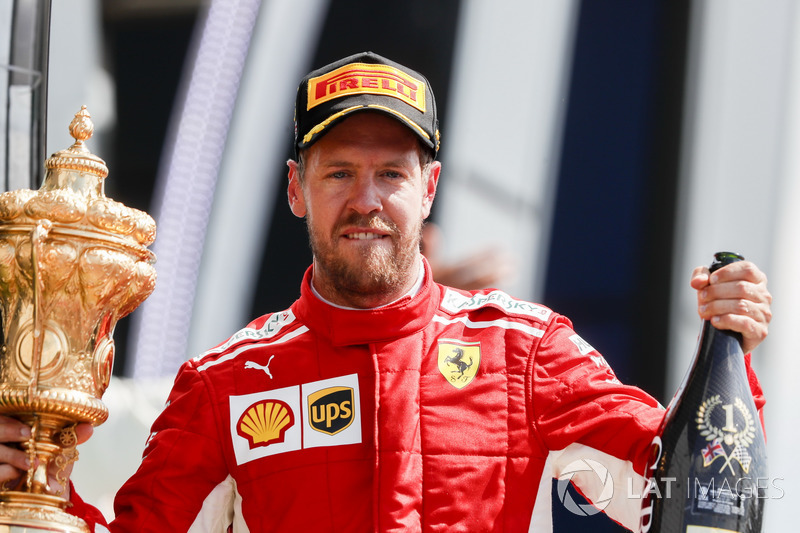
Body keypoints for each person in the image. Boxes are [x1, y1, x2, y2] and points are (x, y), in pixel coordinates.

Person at [0, 51, 772, 532]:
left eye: (391, 174)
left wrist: (729, 352)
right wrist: (29, 490)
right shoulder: (228, 384)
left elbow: (689, 496)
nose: (365, 199)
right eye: (339, 172)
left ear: (429, 188)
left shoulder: (526, 350)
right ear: (298, 189)